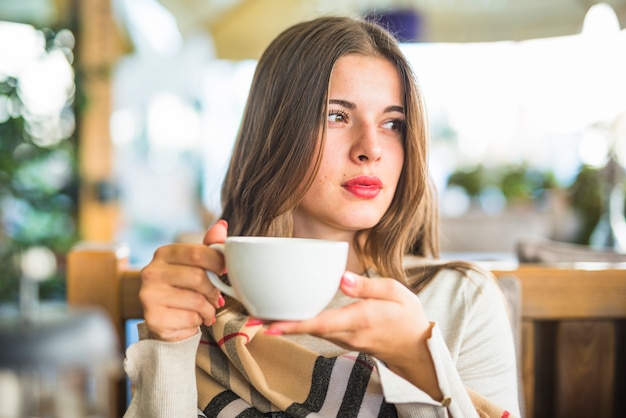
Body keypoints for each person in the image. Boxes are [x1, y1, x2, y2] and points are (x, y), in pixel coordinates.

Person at [124, 15, 520, 418]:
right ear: (275, 134)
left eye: (392, 123)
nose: (371, 149)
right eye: (337, 116)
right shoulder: (202, 299)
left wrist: (418, 361)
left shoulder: (460, 299)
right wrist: (169, 343)